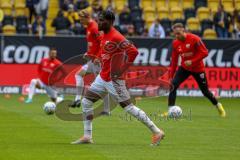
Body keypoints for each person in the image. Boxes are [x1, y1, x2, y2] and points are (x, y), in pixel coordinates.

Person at [71, 10, 164, 145]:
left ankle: (157, 132)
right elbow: (107, 53)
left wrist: (121, 70)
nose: (99, 22)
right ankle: (87, 136)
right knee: (86, 102)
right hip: (103, 77)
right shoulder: (104, 35)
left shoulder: (117, 37)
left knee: (128, 107)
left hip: (114, 80)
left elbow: (134, 52)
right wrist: (97, 58)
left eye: (102, 20)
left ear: (110, 22)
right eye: (98, 19)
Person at [168, 23, 226, 117]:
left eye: (178, 33)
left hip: (198, 69)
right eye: (175, 34)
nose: (177, 36)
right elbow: (174, 61)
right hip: (184, 68)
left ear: (183, 30)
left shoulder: (195, 39)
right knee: (173, 85)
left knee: (205, 92)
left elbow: (205, 52)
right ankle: (170, 109)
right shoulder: (175, 43)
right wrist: (171, 76)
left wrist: (192, 61)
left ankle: (218, 105)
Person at [70, 9, 110, 115]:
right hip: (91, 60)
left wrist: (98, 57)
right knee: (78, 75)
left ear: (87, 17)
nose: (80, 21)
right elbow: (93, 44)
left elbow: (103, 43)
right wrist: (88, 53)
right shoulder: (88, 27)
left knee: (103, 84)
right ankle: (78, 99)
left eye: (81, 19)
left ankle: (106, 109)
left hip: (97, 61)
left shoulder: (95, 27)